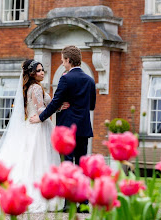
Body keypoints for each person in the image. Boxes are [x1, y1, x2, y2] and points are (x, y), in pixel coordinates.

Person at [0, 59, 65, 213]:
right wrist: (53, 109)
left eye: (42, 69)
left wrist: (58, 106)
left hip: (32, 126)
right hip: (38, 126)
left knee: (31, 159)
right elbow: (40, 110)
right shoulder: (36, 88)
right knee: (40, 159)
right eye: (38, 70)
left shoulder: (31, 87)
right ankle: (38, 194)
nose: (42, 72)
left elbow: (47, 107)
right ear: (31, 73)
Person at [30, 45, 96, 212]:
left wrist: (41, 117)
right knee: (82, 164)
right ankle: (84, 203)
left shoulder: (65, 79)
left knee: (67, 163)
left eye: (63, 61)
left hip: (67, 129)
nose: (63, 64)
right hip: (83, 128)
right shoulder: (90, 80)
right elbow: (92, 105)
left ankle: (69, 203)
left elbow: (55, 102)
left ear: (68, 60)